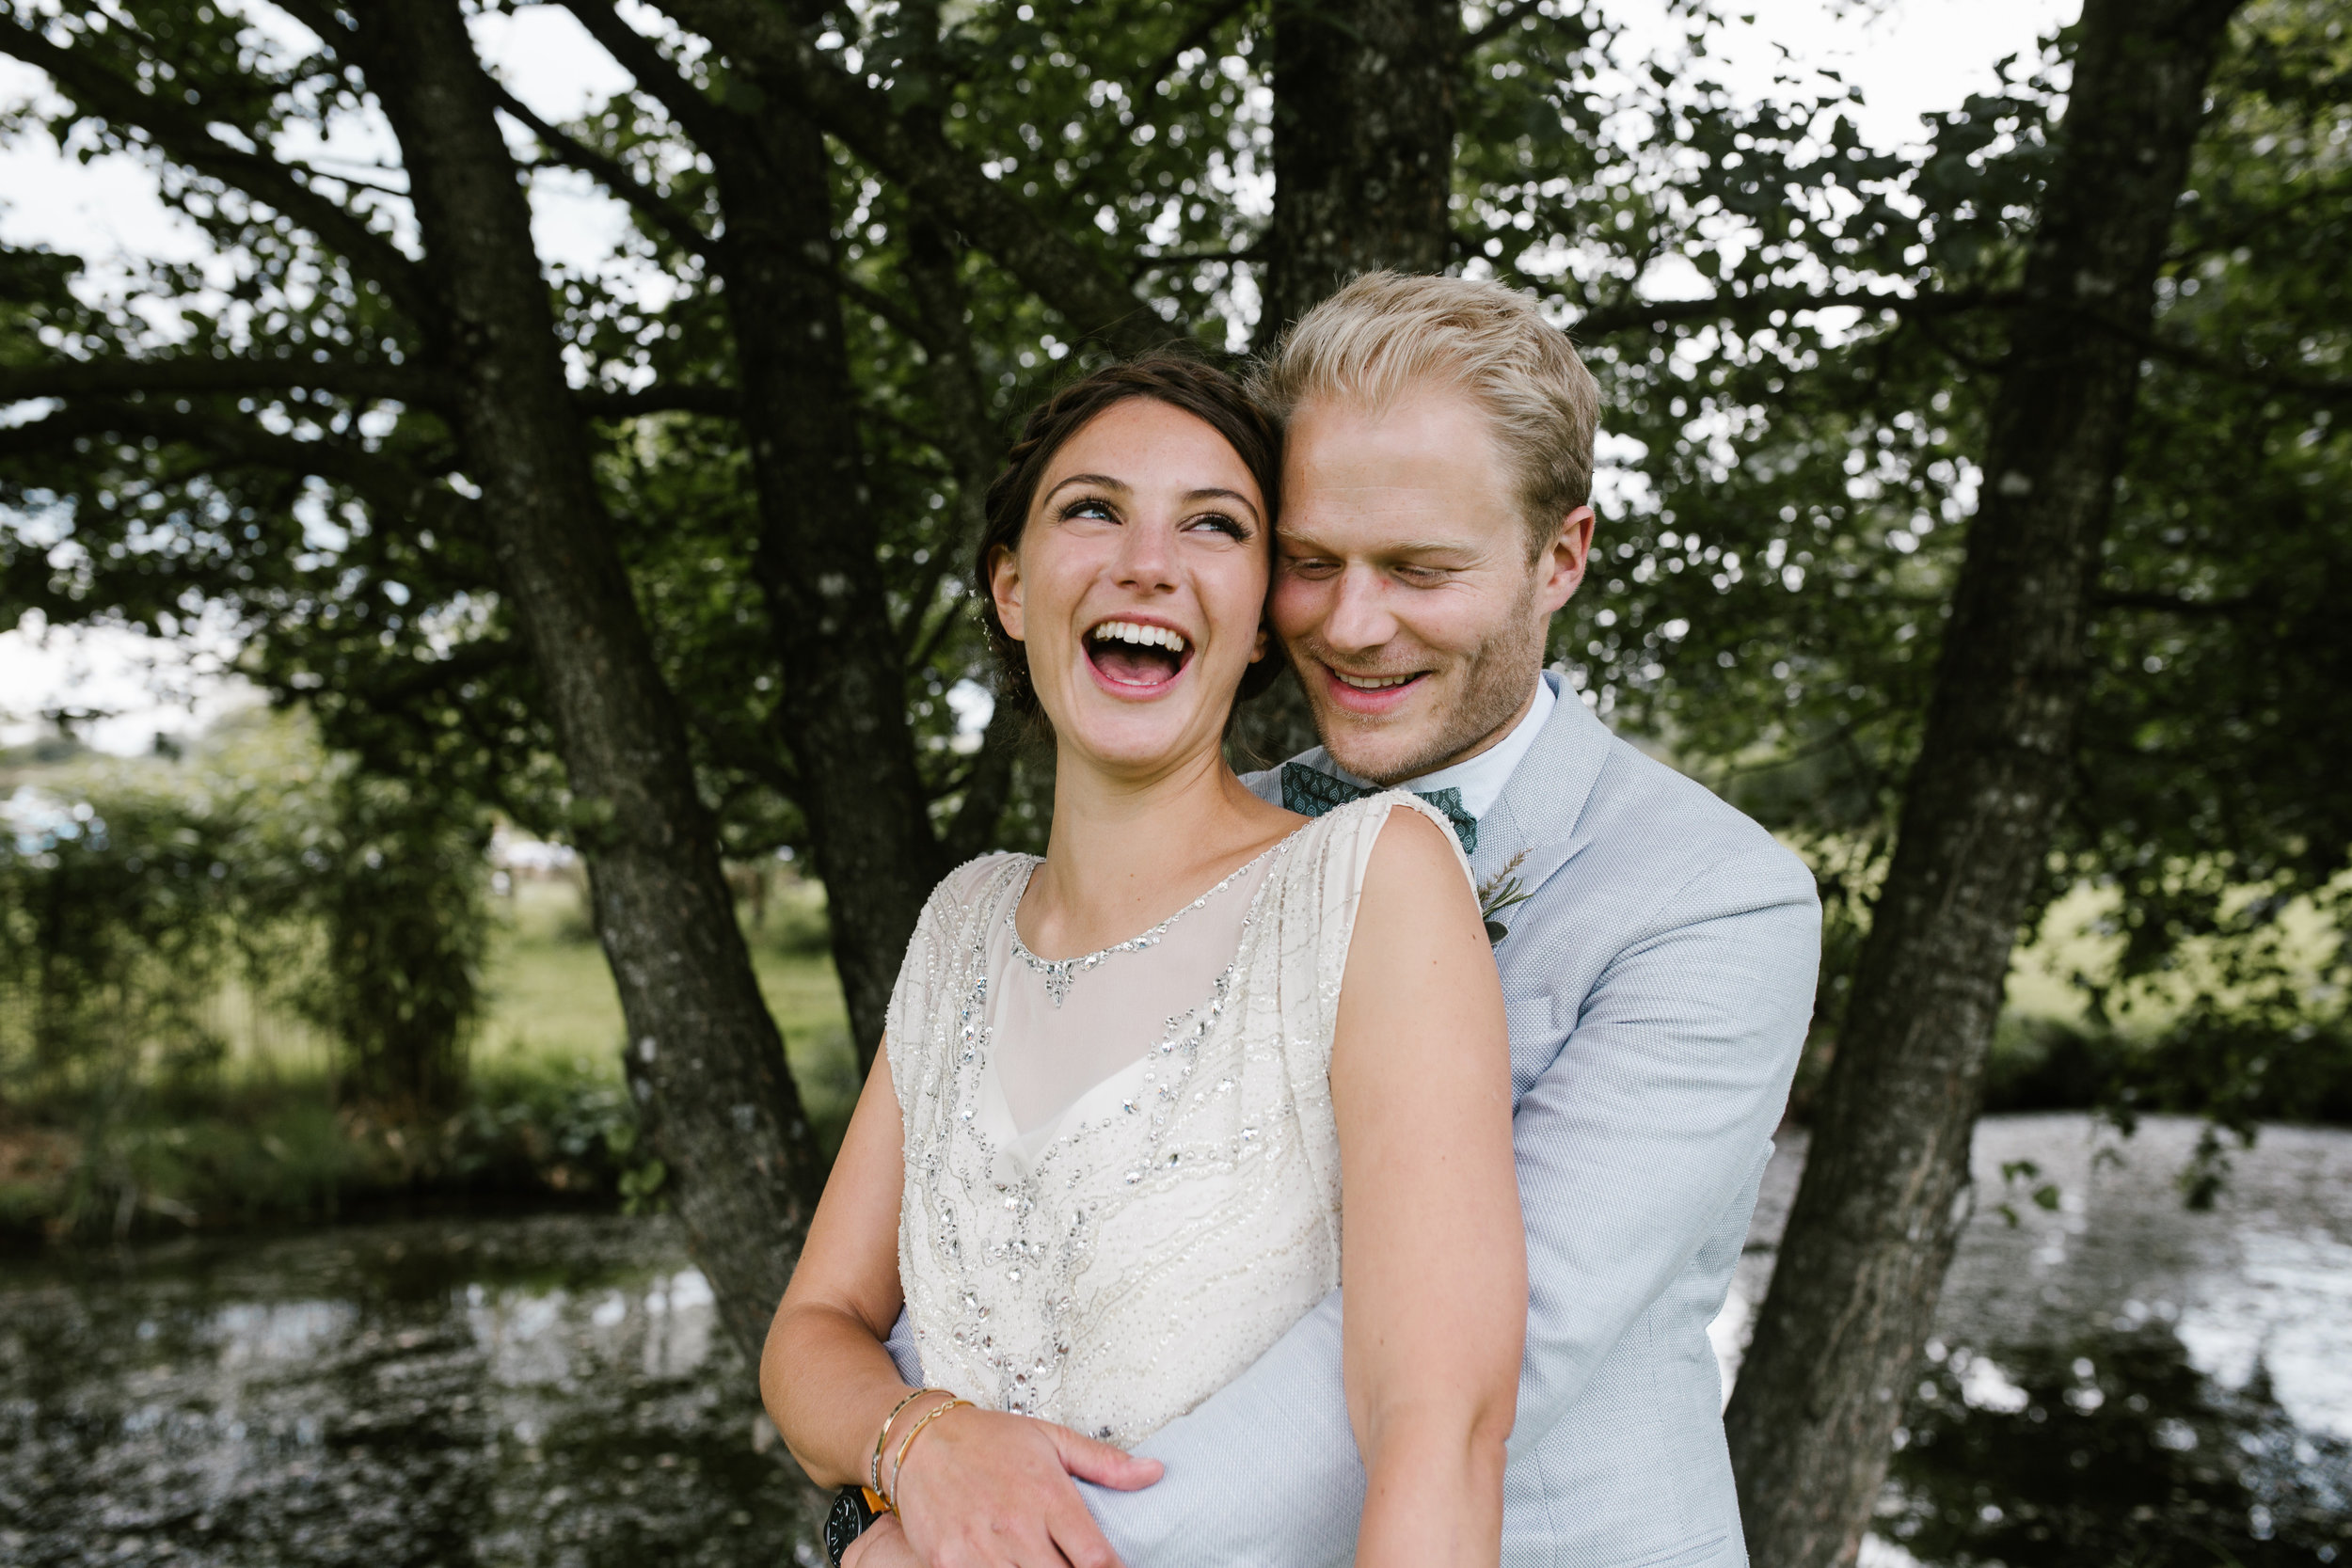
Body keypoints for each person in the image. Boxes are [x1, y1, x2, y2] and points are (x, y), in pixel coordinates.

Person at [841, 273, 1823, 1568]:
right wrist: (908, 1458)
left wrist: (967, 1552)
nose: (1355, 629)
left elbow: (1491, 1353)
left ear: (1560, 558)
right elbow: (1005, 1253)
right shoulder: (1195, 852)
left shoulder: (1708, 898)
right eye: (1312, 564)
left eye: (1421, 568)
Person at [760, 355, 1528, 1568]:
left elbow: (1440, 1426)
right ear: (1013, 587)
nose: (1147, 562)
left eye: (1213, 526)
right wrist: (920, 1441)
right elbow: (814, 1329)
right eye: (1093, 509)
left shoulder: (1370, 882)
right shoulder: (962, 925)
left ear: (1265, 614)